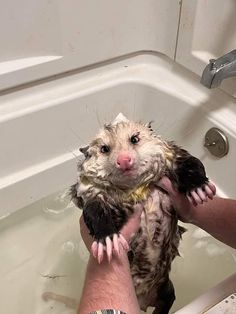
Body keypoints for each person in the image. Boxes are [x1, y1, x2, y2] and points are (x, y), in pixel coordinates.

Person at [78, 177, 236, 314]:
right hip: (148, 273)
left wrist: (109, 253)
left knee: (166, 295)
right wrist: (190, 209)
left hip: (153, 281)